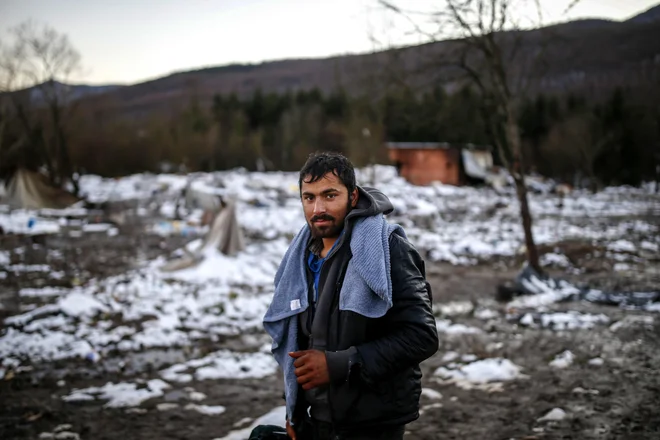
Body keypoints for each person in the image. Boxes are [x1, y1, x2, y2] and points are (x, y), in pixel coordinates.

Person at [263, 152, 438, 440]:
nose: (318, 208)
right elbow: (302, 341)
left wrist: (341, 364)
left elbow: (422, 336)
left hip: (373, 421)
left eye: (330, 195)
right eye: (309, 198)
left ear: (353, 196)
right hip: (318, 419)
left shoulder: (387, 249)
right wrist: (294, 410)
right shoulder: (300, 258)